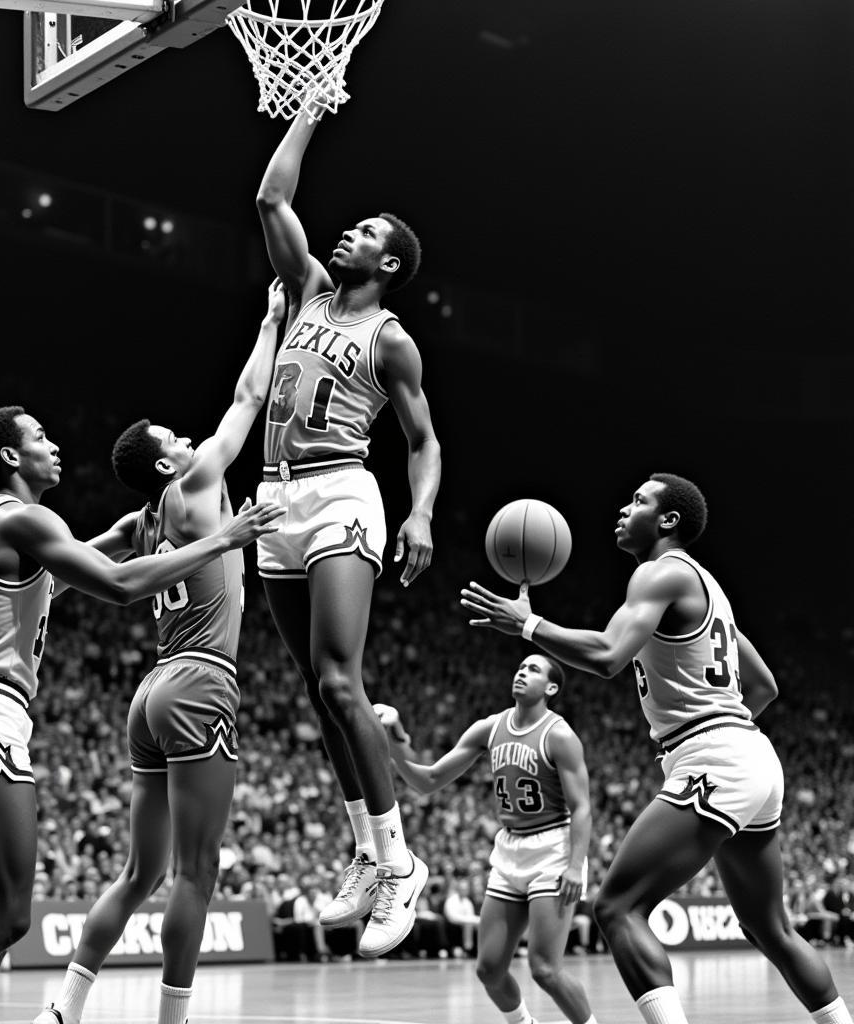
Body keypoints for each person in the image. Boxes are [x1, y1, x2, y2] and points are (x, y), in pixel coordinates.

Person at [0, 405, 282, 1024]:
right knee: (7, 919)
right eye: (39, 439)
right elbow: (116, 584)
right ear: (11, 458)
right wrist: (225, 538)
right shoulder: (28, 518)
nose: (54, 447)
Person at [460, 472, 853, 1024]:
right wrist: (715, 736)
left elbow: (608, 656)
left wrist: (530, 626)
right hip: (753, 757)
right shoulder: (711, 591)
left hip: (716, 756)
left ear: (667, 521)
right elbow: (763, 687)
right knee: (772, 929)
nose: (623, 509)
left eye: (638, 501)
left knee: (618, 908)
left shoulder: (658, 573)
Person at [33, 282, 286, 1024]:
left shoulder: (140, 521)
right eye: (176, 438)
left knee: (140, 870)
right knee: (196, 874)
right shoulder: (201, 482)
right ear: (172, 466)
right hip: (201, 682)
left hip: (150, 695)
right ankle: (172, 1020)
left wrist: (23, 606)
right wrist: (270, 322)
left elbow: (70, 567)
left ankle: (66, 1007)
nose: (189, 439)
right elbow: (247, 398)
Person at [254, 96, 442, 959]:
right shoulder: (308, 295)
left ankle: (402, 865)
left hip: (339, 496)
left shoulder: (390, 339)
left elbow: (423, 440)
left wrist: (423, 511)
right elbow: (270, 201)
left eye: (366, 232)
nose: (346, 235)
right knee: (322, 700)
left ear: (391, 262)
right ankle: (367, 852)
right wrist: (310, 115)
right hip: (273, 500)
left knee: (339, 681)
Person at [375, 653, 600, 1024]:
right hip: (510, 848)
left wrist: (576, 865)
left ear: (551, 687)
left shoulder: (559, 735)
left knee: (545, 969)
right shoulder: (489, 728)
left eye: (533, 670)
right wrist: (395, 737)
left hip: (553, 850)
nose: (521, 672)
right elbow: (426, 781)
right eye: (520, 666)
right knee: (489, 970)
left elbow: (582, 808)